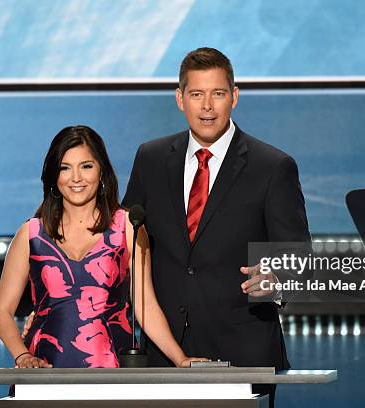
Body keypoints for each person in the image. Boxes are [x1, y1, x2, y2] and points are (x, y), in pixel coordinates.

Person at [122, 47, 311, 406]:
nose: (207, 106)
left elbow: (297, 257)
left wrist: (278, 281)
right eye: (196, 94)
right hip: (164, 355)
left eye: (218, 93)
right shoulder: (151, 158)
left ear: (234, 97)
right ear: (180, 100)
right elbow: (125, 242)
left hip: (242, 353)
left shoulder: (272, 166)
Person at [0, 125, 205, 369]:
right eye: (64, 168)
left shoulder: (128, 227)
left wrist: (180, 358)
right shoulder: (31, 234)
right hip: (44, 371)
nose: (76, 178)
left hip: (113, 373)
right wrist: (23, 356)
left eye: (86, 166)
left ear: (102, 171)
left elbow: (146, 307)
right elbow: (2, 310)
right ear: (53, 175)